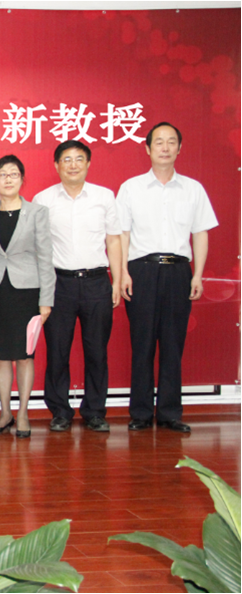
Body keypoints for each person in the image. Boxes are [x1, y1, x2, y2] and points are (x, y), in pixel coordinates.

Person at [117, 122, 218, 433]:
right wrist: (123, 272)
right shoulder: (131, 187)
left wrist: (197, 275)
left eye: (171, 141)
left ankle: (170, 413)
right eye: (158, 142)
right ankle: (140, 413)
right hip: (141, 271)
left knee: (173, 344)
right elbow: (122, 234)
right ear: (147, 148)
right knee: (142, 343)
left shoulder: (193, 189)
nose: (165, 147)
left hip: (178, 272)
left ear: (179, 148)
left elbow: (200, 233)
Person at [34, 141, 122, 433]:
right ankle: (60, 411)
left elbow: (114, 240)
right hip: (59, 283)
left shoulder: (104, 197)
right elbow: (39, 247)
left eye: (79, 159)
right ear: (56, 165)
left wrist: (117, 279)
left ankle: (95, 411)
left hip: (97, 282)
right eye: (67, 159)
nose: (73, 165)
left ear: (88, 164)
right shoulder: (43, 200)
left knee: (97, 351)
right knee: (57, 351)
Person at [0, 155, 54, 438]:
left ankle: (23, 413)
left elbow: (46, 257)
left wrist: (46, 299)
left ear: (22, 179)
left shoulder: (37, 212)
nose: (8, 179)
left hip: (27, 292)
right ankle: (5, 412)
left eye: (13, 174)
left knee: (24, 356)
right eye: (2, 174)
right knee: (0, 356)